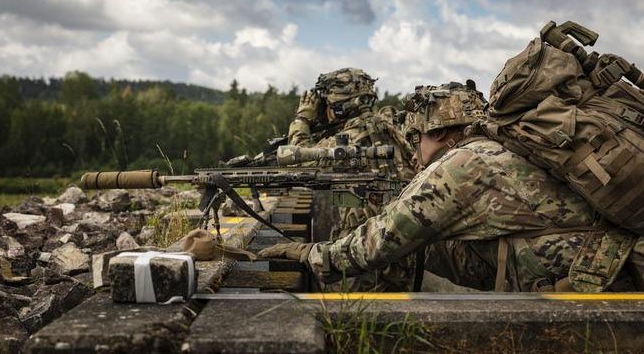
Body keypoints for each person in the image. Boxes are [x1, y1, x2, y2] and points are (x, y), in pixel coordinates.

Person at [261, 81, 641, 293]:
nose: (412, 151)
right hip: (612, 260)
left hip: (600, 277)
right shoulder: (500, 145)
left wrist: (307, 253)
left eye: (416, 138)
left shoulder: (460, 166)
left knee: (407, 247)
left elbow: (369, 247)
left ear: (439, 133)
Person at [287, 67, 417, 291]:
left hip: (357, 261)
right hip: (402, 257)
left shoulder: (344, 143)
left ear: (337, 108)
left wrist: (302, 119)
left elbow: (295, 158)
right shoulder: (393, 129)